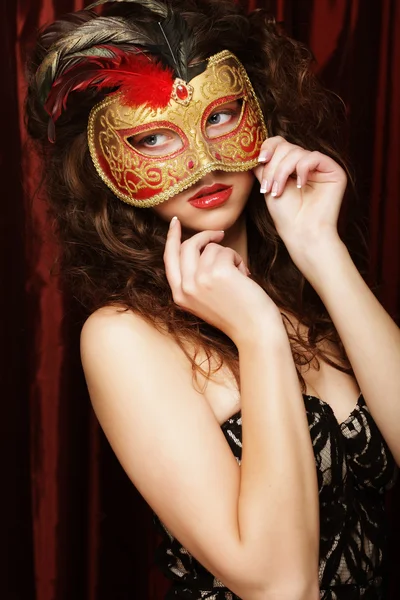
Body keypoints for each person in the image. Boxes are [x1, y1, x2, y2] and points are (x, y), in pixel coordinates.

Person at [25, 0, 400, 598]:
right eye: (151, 137)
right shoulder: (124, 336)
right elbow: (283, 586)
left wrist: (321, 248)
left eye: (222, 116)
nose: (202, 164)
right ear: (100, 164)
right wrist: (257, 335)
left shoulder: (304, 293)